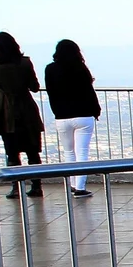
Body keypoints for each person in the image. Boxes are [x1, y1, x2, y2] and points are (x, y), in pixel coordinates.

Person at [0, 32, 45, 198]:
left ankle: (15, 187)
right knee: (33, 152)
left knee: (11, 152)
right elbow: (34, 86)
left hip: (4, 112)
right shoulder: (25, 63)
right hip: (26, 111)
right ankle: (36, 185)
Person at [44, 39, 99, 198]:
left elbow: (51, 92)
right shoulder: (80, 68)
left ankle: (72, 184)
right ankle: (80, 187)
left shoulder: (50, 69)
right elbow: (89, 92)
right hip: (83, 115)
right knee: (82, 152)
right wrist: (95, 110)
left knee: (69, 152)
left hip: (62, 116)